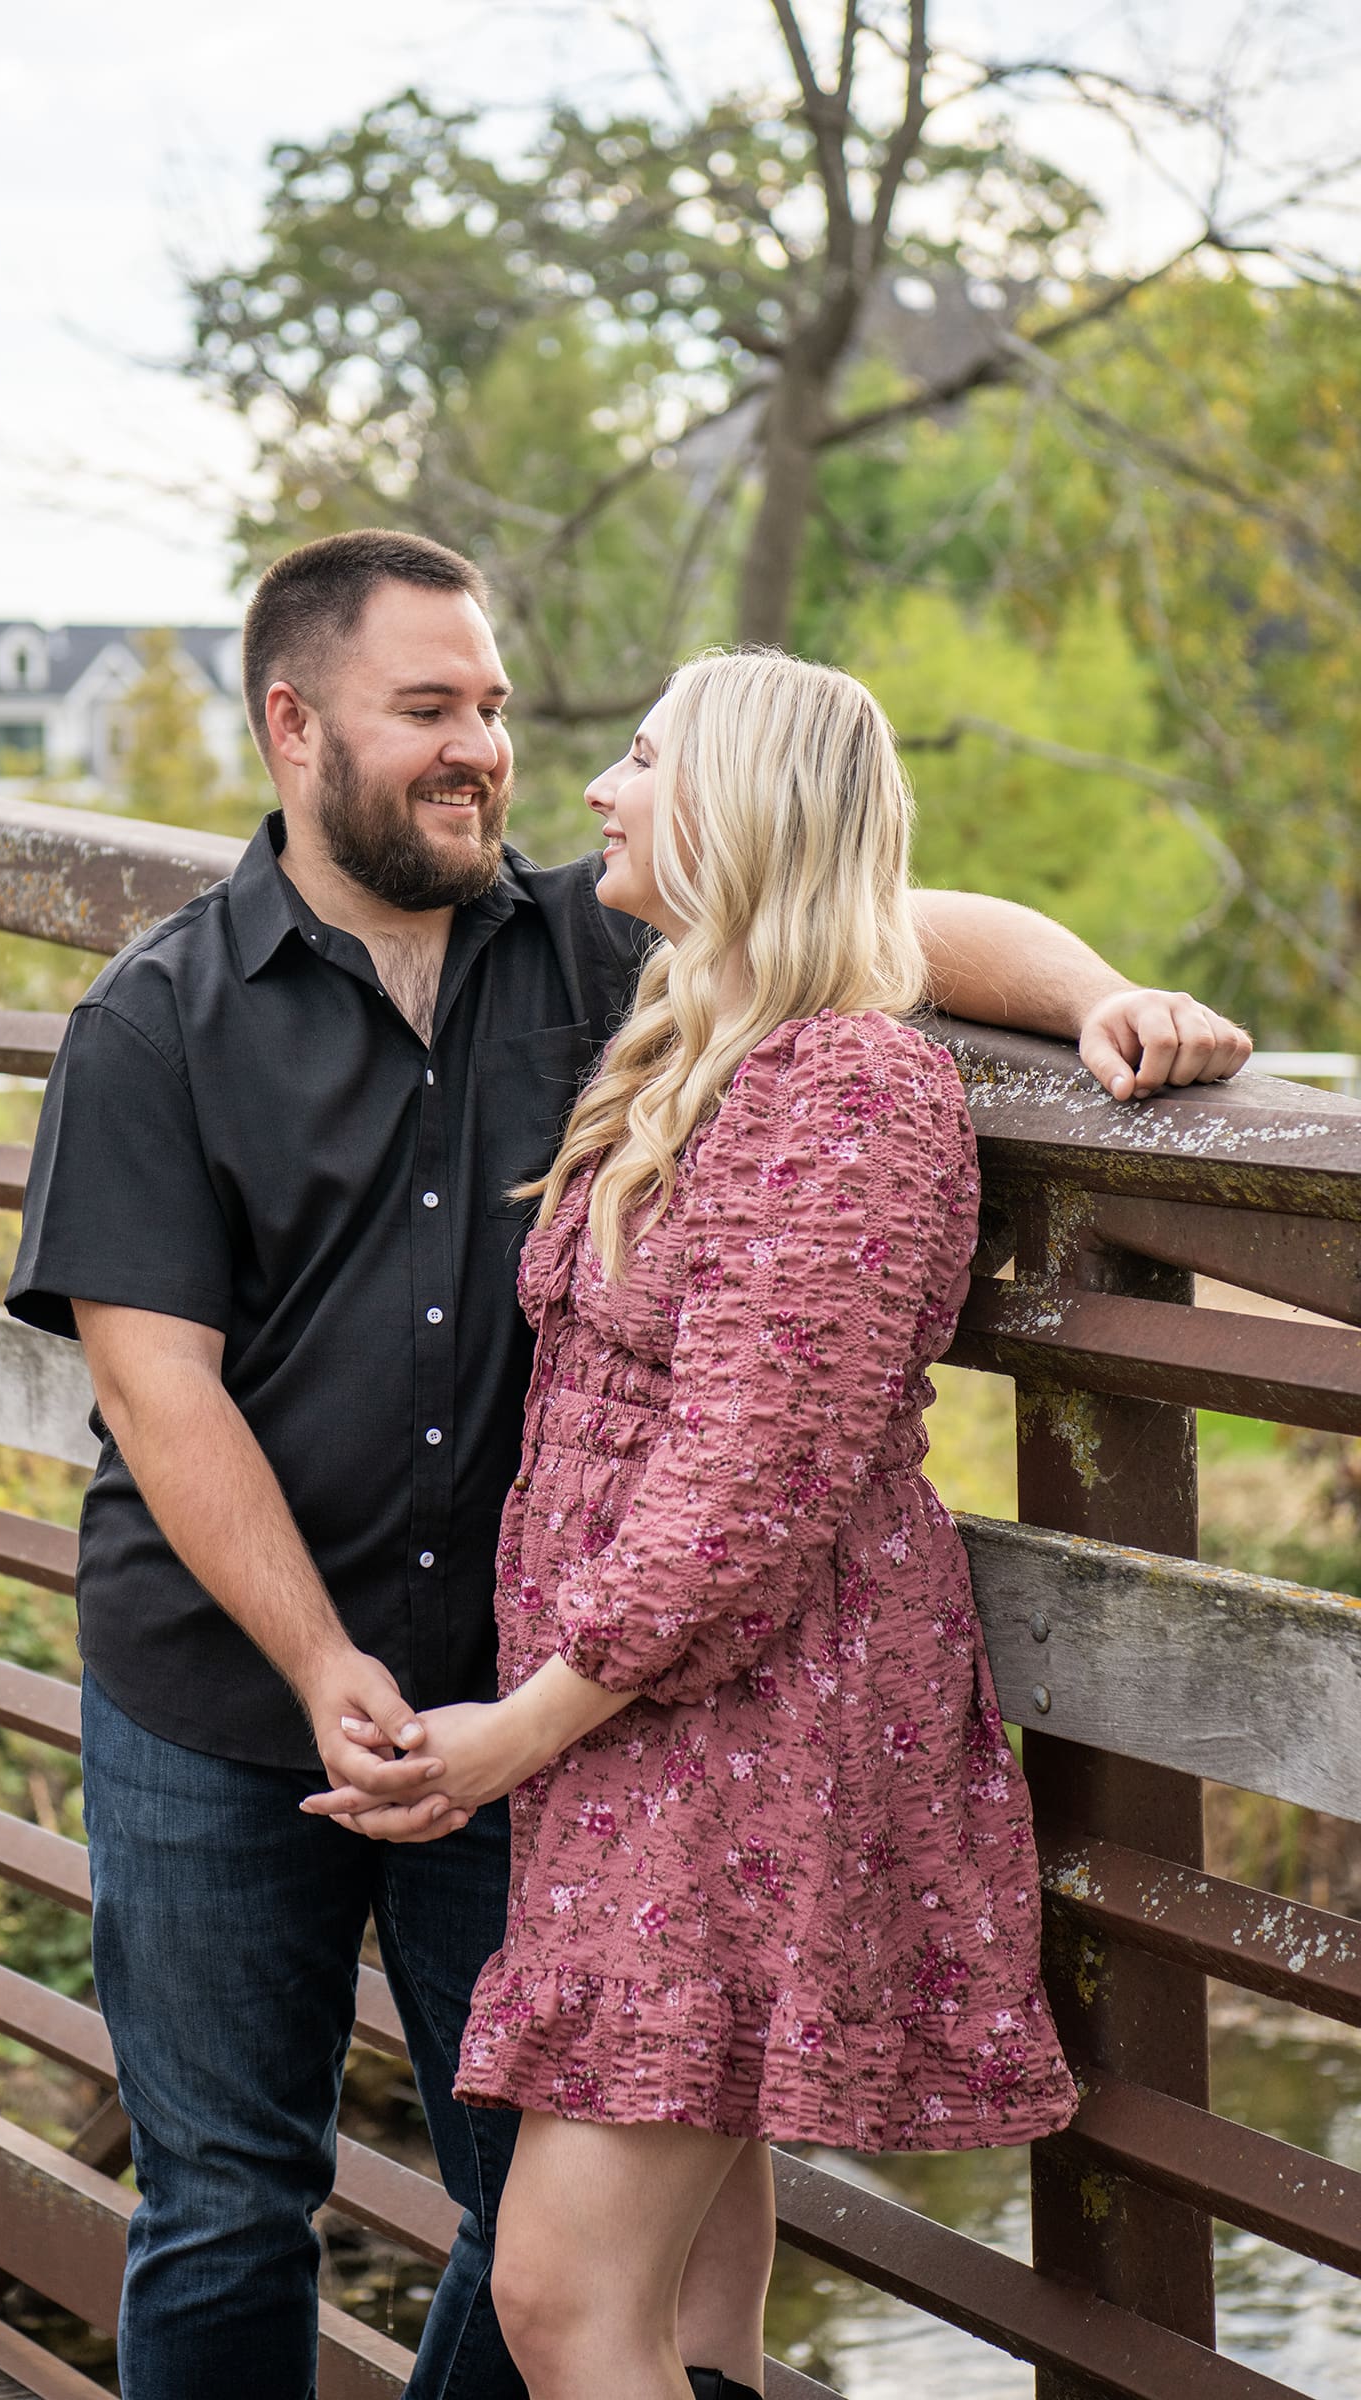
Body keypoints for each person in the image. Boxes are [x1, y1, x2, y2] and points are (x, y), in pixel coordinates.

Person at [5, 529, 1249, 2400]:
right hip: (226, 1692)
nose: (489, 751)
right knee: (226, 2201)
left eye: (493, 707)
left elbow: (896, 916)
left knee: (557, 2237)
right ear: (292, 725)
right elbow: (158, 1387)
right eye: (428, 709)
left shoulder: (610, 947)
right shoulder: (155, 1021)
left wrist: (1098, 1003)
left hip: (553, 1714)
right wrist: (319, 1664)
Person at [305, 648, 1081, 2400]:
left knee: (567, 2302)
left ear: (738, 804)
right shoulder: (699, 1037)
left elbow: (751, 1484)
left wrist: (521, 1728)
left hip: (744, 1732)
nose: (593, 788)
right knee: (692, 2313)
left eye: (644, 759)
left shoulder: (846, 1092)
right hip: (650, 1741)